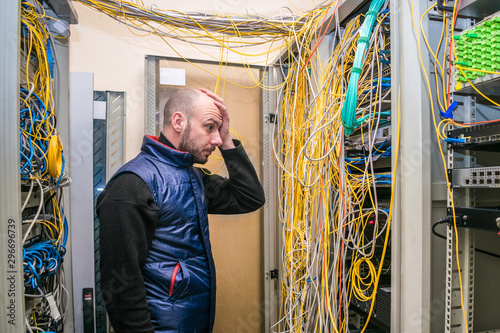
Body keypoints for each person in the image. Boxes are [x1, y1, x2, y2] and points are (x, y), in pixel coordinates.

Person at [96, 88, 265, 332]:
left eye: (219, 130)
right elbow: (122, 289)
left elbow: (249, 198)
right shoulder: (131, 186)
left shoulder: (193, 177)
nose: (216, 139)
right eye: (210, 127)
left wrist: (227, 140)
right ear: (178, 121)